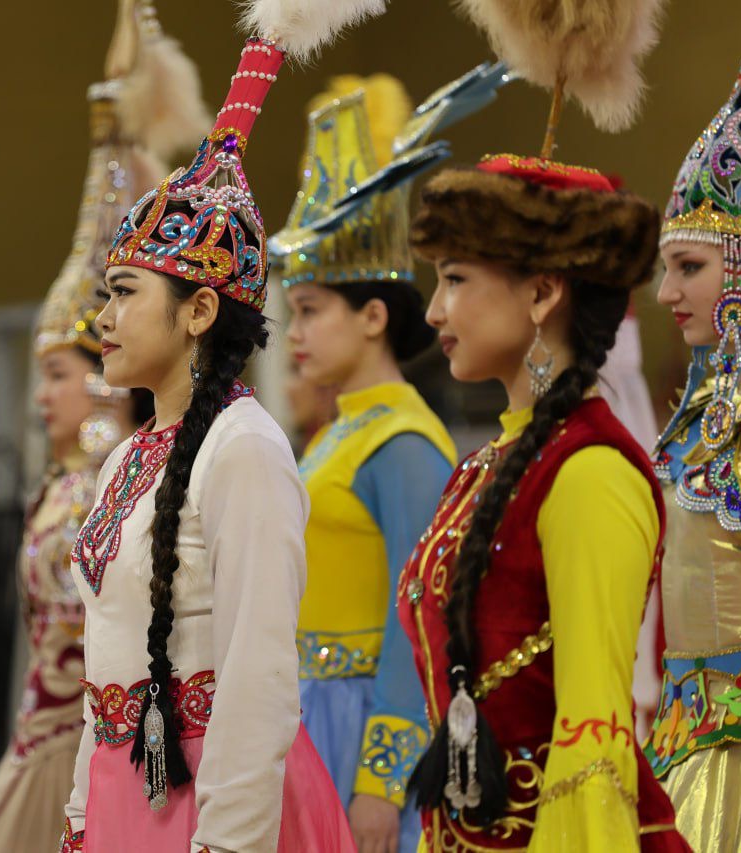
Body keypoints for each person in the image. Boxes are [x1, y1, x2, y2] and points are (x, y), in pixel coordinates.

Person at [395, 4, 687, 847]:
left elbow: (594, 739)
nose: (436, 310)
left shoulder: (590, 471)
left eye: (456, 278)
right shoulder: (494, 462)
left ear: (542, 292)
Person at [60, 31, 358, 853]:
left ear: (197, 310)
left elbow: (260, 673)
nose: (104, 319)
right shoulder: (126, 457)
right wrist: (82, 812)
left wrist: (226, 842)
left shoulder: (245, 448)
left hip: (216, 803)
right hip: (130, 792)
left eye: (125, 293)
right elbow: (106, 661)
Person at [0, 2, 194, 849]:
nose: (41, 397)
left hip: (100, 742)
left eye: (57, 374)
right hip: (52, 737)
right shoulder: (71, 481)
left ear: (100, 375)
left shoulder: (116, 480)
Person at [269, 65, 515, 851]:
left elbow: (421, 615)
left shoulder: (403, 440)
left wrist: (383, 777)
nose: (293, 333)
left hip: (362, 723)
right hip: (313, 714)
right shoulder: (334, 436)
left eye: (310, 310)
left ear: (373, 315)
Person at [646, 63, 741, 851]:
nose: (665, 292)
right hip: (682, 743)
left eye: (690, 267)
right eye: (667, 268)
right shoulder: (702, 414)